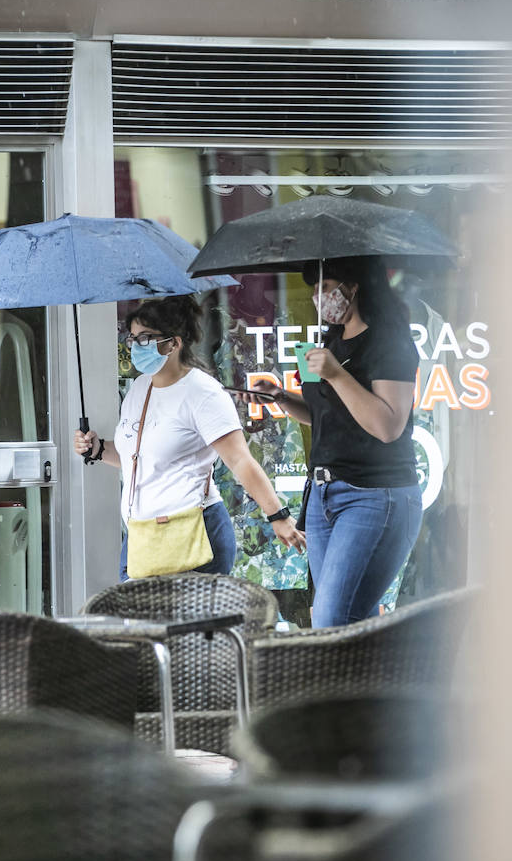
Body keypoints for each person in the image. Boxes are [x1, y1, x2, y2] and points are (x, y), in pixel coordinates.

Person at [239, 257, 423, 627]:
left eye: (324, 288)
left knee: (331, 620)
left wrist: (337, 375)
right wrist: (280, 397)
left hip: (374, 494)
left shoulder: (389, 341)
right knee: (352, 622)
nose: (316, 297)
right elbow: (329, 415)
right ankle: (367, 685)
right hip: (324, 495)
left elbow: (387, 426)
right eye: (314, 289)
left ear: (353, 287)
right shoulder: (332, 341)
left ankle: (351, 684)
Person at [74, 296, 306, 580]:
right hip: (143, 537)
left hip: (194, 532)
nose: (136, 346)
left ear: (174, 343)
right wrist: (97, 449)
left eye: (145, 338)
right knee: (142, 624)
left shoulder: (202, 392)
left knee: (188, 625)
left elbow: (240, 461)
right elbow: (139, 459)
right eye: (132, 338)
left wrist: (277, 517)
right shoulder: (139, 389)